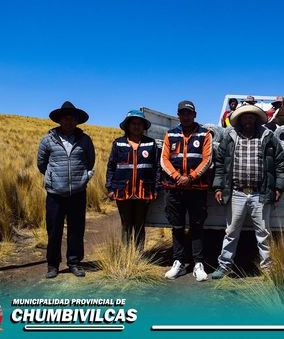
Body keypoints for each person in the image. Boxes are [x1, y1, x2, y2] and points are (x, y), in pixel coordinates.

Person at [211, 104, 284, 279]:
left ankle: (268, 269)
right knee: (231, 232)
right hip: (236, 192)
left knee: (263, 234)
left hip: (260, 193)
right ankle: (224, 266)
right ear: (240, 119)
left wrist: (278, 187)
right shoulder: (229, 137)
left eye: (251, 117)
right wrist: (218, 187)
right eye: (245, 117)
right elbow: (220, 164)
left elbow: (280, 163)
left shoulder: (268, 137)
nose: (248, 120)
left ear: (255, 119)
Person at [37, 101, 95, 279]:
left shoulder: (85, 140)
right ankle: (53, 265)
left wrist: (83, 178)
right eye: (66, 118)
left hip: (77, 192)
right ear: (60, 120)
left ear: (77, 121)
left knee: (76, 229)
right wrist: (53, 179)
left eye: (72, 118)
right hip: (55, 193)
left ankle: (74, 262)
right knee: (54, 229)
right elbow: (41, 163)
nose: (69, 121)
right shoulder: (48, 140)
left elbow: (90, 160)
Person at [160, 100, 213, 281]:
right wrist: (178, 177)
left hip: (197, 188)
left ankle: (198, 263)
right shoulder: (170, 134)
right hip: (174, 189)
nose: (186, 116)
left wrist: (190, 178)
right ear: (178, 115)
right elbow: (164, 160)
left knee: (197, 226)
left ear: (195, 115)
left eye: (189, 113)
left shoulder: (205, 134)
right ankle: (178, 262)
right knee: (177, 227)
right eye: (183, 113)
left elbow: (207, 159)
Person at [106, 110, 161, 251]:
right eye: (133, 123)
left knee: (140, 224)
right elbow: (111, 166)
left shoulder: (151, 144)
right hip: (122, 191)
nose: (136, 126)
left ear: (143, 126)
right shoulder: (118, 144)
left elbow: (157, 168)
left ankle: (138, 255)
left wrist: (155, 189)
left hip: (144, 191)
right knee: (126, 224)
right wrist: (110, 188)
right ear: (128, 126)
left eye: (139, 124)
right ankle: (126, 254)